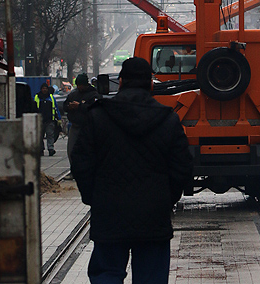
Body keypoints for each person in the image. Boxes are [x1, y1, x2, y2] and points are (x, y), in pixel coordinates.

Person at [71, 57, 193, 284]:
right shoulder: (168, 119)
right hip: (153, 215)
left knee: (106, 274)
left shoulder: (98, 116)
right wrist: (166, 198)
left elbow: (80, 162)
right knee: (151, 278)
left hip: (109, 212)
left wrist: (93, 197)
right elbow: (183, 167)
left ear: (121, 82)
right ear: (151, 84)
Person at [64, 72, 98, 163]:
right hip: (75, 126)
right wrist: (69, 106)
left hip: (88, 127)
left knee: (88, 150)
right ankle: (73, 169)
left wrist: (80, 106)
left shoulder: (93, 94)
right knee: (71, 149)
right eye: (78, 85)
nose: (79, 87)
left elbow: (95, 109)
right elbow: (65, 106)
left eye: (81, 85)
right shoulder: (73, 94)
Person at [34, 82, 61, 156]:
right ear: (41, 89)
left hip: (50, 120)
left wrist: (59, 118)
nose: (44, 90)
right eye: (43, 88)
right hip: (40, 121)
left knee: (50, 135)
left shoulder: (51, 98)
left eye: (46, 88)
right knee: (40, 136)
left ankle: (51, 149)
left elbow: (56, 108)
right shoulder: (36, 97)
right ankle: (41, 150)